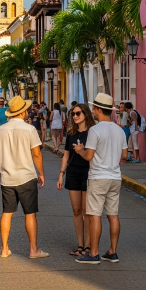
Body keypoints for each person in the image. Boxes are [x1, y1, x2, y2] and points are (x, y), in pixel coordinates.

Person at [73, 93, 127, 264]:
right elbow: (124, 154)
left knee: (95, 214)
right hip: (115, 177)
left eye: (94, 109)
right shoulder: (119, 130)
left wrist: (80, 150)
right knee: (113, 215)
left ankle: (94, 253)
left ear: (97, 109)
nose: (93, 112)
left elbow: (89, 156)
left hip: (98, 177)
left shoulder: (95, 130)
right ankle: (112, 251)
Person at [0, 96, 48, 259]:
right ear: (23, 112)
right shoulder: (29, 129)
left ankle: (4, 249)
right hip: (26, 177)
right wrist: (42, 173)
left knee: (7, 213)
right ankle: (33, 249)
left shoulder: (0, 130)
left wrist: (1, 171)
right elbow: (36, 154)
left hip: (7, 178)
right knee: (30, 213)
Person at [56, 103, 96, 257]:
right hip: (72, 172)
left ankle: (88, 245)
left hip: (88, 172)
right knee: (76, 210)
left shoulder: (92, 133)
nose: (75, 116)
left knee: (87, 211)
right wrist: (61, 174)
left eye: (78, 113)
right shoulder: (71, 132)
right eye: (73, 113)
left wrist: (82, 151)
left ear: (85, 114)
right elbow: (66, 155)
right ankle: (80, 243)